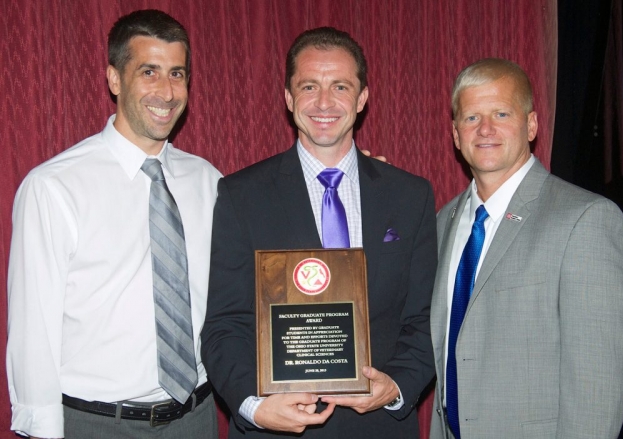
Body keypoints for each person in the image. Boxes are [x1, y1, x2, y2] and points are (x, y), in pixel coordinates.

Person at [201, 27, 437, 438]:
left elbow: (426, 318)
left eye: (340, 86)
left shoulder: (410, 196)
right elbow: (224, 325)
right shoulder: (242, 195)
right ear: (289, 98)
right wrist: (254, 408)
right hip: (276, 429)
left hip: (378, 427)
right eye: (309, 86)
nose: (324, 103)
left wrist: (396, 386)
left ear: (362, 98)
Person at [6, 10, 222, 439]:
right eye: (149, 72)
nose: (166, 90)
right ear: (115, 79)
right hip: (97, 424)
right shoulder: (54, 187)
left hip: (197, 417)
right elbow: (34, 331)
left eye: (177, 73)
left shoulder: (208, 181)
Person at [429, 58, 623, 438]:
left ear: (532, 125)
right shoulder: (443, 222)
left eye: (501, 113)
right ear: (456, 135)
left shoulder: (585, 219)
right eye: (471, 117)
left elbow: (597, 385)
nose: (485, 128)